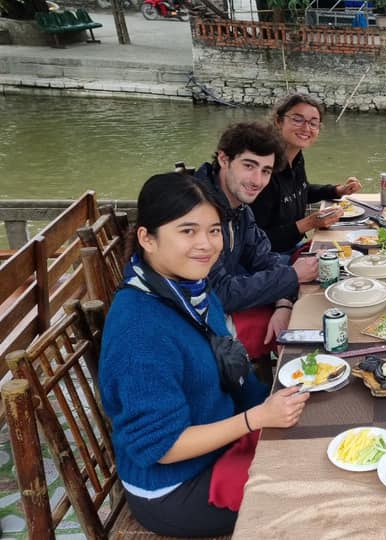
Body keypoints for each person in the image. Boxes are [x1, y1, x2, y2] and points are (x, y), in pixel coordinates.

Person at [99, 173, 309, 537]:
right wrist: (255, 419)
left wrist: (267, 406)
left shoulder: (191, 288)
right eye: (187, 231)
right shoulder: (140, 327)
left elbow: (233, 370)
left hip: (219, 442)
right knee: (312, 490)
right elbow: (162, 446)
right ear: (147, 238)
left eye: (214, 230)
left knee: (321, 438)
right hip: (175, 487)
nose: (206, 244)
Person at [194, 122, 319, 362]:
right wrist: (291, 278)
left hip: (221, 301)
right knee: (300, 328)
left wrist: (283, 302)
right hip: (195, 322)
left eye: (266, 171)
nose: (257, 180)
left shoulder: (239, 208)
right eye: (249, 166)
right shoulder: (198, 212)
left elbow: (264, 258)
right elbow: (219, 292)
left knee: (300, 313)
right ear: (223, 158)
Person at [250, 93, 363, 255]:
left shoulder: (296, 157)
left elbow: (300, 190)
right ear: (279, 121)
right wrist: (307, 223)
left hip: (292, 247)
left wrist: (338, 190)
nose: (306, 128)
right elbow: (254, 241)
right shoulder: (263, 166)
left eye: (313, 123)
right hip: (268, 258)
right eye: (297, 119)